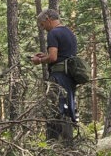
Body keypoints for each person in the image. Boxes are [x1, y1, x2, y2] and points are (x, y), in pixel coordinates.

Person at [31, 9, 78, 141]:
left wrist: (39, 60)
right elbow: (63, 55)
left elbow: (53, 58)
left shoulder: (53, 33)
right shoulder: (69, 32)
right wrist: (45, 55)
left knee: (54, 109)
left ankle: (54, 145)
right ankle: (68, 144)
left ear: (48, 19)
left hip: (58, 77)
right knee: (67, 107)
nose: (42, 27)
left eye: (42, 24)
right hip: (70, 77)